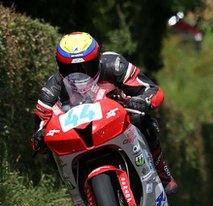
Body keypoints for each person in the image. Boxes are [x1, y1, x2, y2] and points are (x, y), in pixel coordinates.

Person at [30, 32, 177, 193]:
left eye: (86, 66)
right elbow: (41, 119)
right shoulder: (53, 86)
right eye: (70, 68)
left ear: (97, 59)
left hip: (119, 123)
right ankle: (78, 194)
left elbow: (152, 90)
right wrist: (39, 136)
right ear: (60, 66)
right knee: (52, 147)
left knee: (145, 121)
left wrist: (142, 101)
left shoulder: (114, 65)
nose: (79, 73)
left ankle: (162, 172)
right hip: (79, 136)